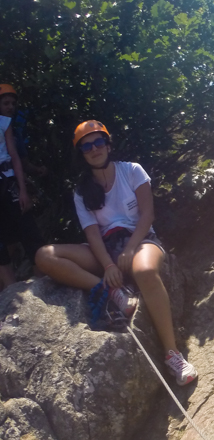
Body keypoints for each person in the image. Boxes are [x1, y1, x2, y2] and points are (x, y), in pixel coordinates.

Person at [35, 120, 198, 385]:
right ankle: (111, 291)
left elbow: (147, 215)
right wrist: (109, 266)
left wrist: (131, 248)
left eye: (98, 142)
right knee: (45, 255)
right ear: (82, 154)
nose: (94, 149)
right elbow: (91, 233)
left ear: (108, 145)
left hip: (141, 239)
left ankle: (173, 355)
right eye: (86, 146)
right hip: (105, 249)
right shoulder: (81, 191)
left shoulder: (132, 171)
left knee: (144, 270)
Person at [0, 84, 43, 289]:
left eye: (12, 103)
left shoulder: (5, 124)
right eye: (5, 103)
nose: (10, 107)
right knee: (4, 239)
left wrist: (23, 189)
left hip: (8, 180)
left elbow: (15, 157)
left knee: (28, 228)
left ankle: (43, 279)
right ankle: (9, 291)